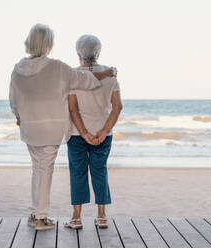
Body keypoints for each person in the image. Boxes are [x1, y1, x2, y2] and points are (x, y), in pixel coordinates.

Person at [9, 24, 116, 231]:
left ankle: (34, 212)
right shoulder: (56, 67)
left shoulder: (18, 68)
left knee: (37, 169)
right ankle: (41, 218)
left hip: (29, 127)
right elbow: (85, 80)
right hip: (51, 128)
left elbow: (13, 99)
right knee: (45, 169)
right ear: (48, 43)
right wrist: (108, 72)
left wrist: (18, 116)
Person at [64, 34, 123, 230]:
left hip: (76, 134)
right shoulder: (111, 76)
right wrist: (105, 131)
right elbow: (117, 107)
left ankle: (77, 218)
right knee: (100, 172)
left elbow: (73, 110)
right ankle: (102, 216)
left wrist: (83, 133)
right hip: (102, 135)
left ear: (78, 53)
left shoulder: (72, 76)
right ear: (98, 53)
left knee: (77, 173)